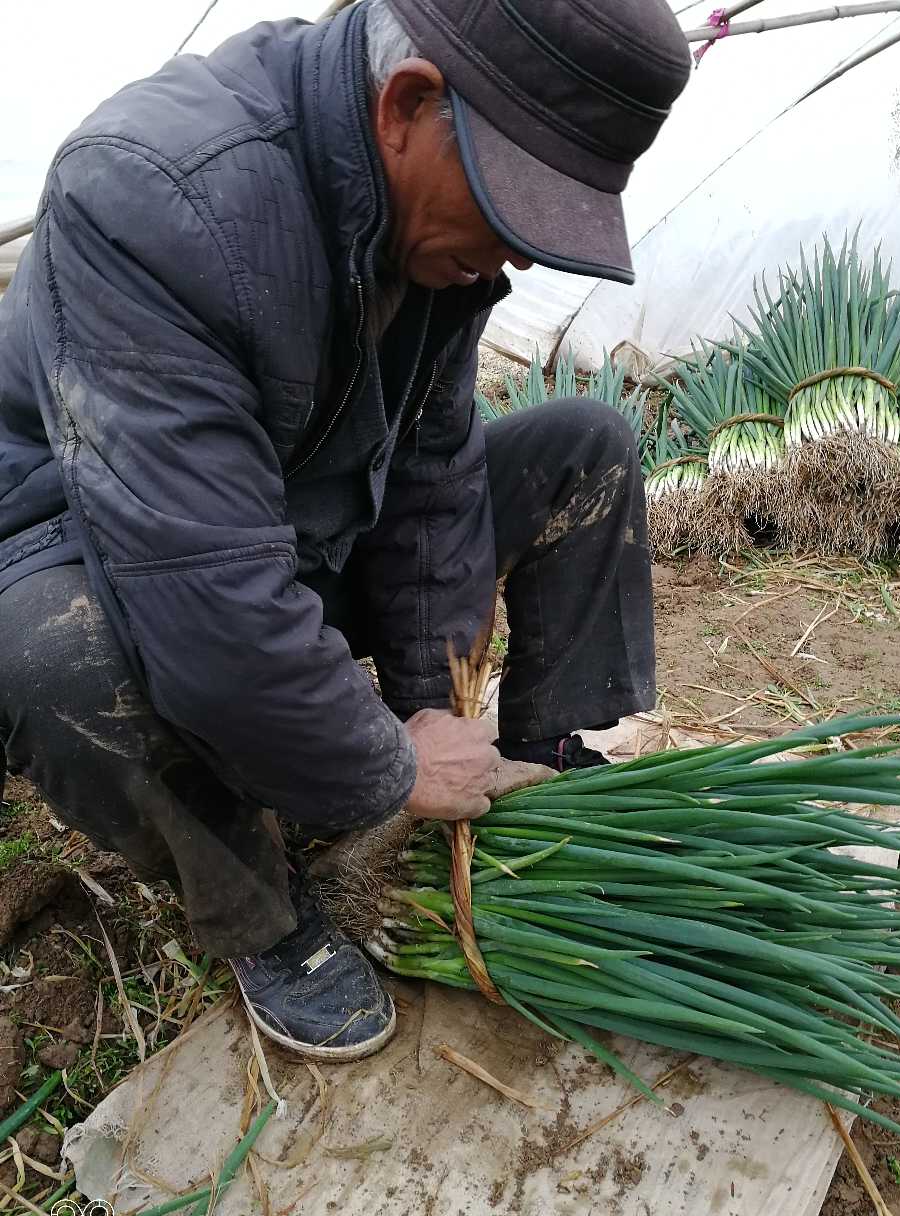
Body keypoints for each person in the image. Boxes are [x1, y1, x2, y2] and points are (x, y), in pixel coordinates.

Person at [0, 0, 691, 1060]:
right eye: (517, 204)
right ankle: (262, 914)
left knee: (581, 446)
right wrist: (383, 766)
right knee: (58, 657)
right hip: (92, 552)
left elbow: (432, 480)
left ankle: (538, 749)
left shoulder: (429, 238)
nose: (522, 255)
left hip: (292, 529)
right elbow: (201, 592)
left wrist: (432, 708)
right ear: (408, 105)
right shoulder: (150, 192)